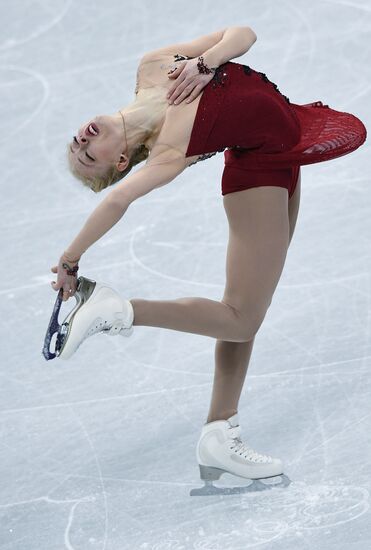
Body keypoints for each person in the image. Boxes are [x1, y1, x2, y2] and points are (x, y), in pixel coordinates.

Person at [50, 26, 367, 485]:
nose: (81, 142)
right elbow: (118, 201)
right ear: (120, 164)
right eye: (88, 156)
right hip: (257, 174)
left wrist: (206, 62)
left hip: (284, 155)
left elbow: (244, 34)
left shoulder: (154, 68)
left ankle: (220, 431)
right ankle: (118, 310)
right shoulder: (168, 153)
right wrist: (70, 260)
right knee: (241, 317)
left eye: (77, 144)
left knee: (248, 308)